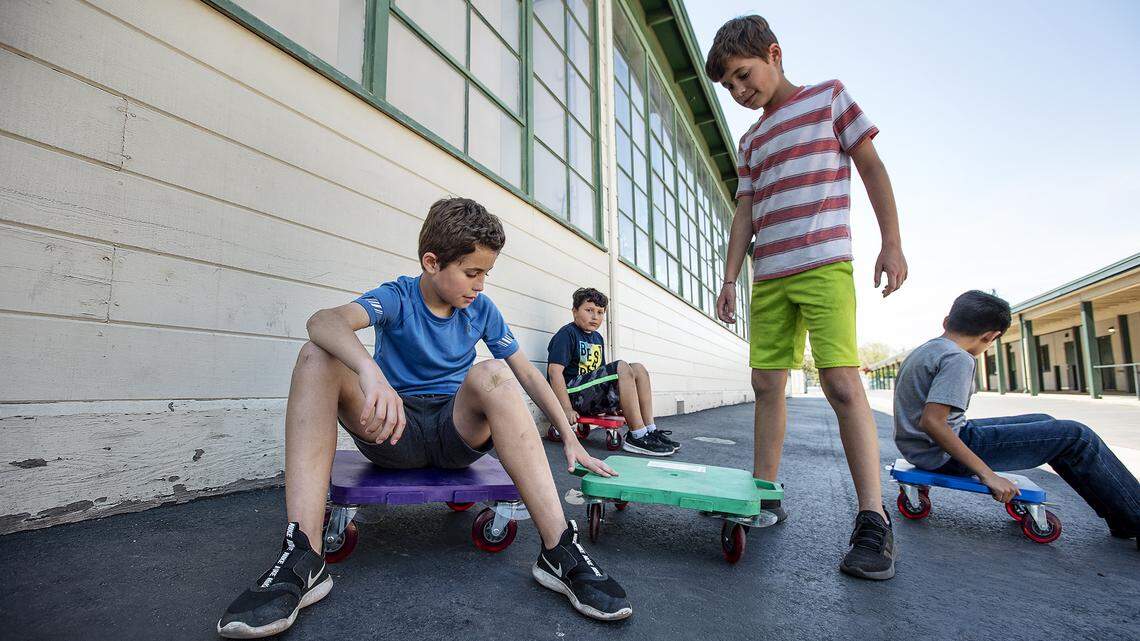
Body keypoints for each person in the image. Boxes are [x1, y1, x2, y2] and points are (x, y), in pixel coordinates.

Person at [217, 198, 632, 638]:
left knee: (494, 371)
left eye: (486, 274)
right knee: (316, 356)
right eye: (472, 274)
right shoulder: (397, 296)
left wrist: (569, 434)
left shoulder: (482, 310)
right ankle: (303, 554)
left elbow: (528, 375)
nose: (480, 285)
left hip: (456, 435)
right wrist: (370, 373)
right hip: (394, 433)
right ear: (432, 262)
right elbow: (323, 321)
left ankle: (558, 550)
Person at [704, 15, 909, 579]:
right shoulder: (750, 141)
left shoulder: (828, 99)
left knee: (842, 382)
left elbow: (871, 167)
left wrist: (891, 243)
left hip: (824, 268)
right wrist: (729, 278)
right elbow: (745, 211)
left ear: (773, 54)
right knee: (766, 382)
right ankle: (765, 493)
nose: (740, 92)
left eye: (744, 76)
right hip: (769, 276)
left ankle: (872, 516)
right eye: (730, 88)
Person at [894, 290, 1140, 544]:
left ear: (947, 321)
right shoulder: (958, 358)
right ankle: (1135, 516)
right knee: (1077, 436)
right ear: (991, 336)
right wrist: (987, 474)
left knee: (1044, 421)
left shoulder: (926, 349)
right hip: (940, 454)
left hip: (920, 447)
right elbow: (933, 422)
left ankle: (1123, 514)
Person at [546, 287, 680, 457]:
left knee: (638, 368)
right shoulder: (567, 334)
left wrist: (612, 405)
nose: (595, 316)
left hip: (589, 394)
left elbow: (601, 375)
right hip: (572, 394)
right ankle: (636, 435)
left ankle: (649, 429)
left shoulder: (597, 338)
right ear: (574, 311)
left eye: (600, 312)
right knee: (621, 366)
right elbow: (554, 372)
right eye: (589, 310)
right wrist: (565, 408)